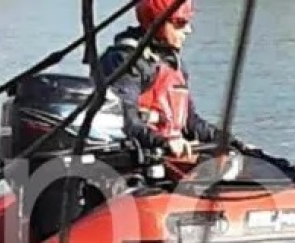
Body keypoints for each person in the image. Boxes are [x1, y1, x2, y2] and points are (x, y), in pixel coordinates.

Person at [96, 0, 240, 165]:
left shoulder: (174, 64)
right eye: (180, 23)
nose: (188, 30)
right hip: (142, 163)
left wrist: (230, 142)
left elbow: (190, 122)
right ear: (156, 24)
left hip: (174, 157)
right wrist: (162, 142)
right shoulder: (125, 61)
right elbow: (124, 119)